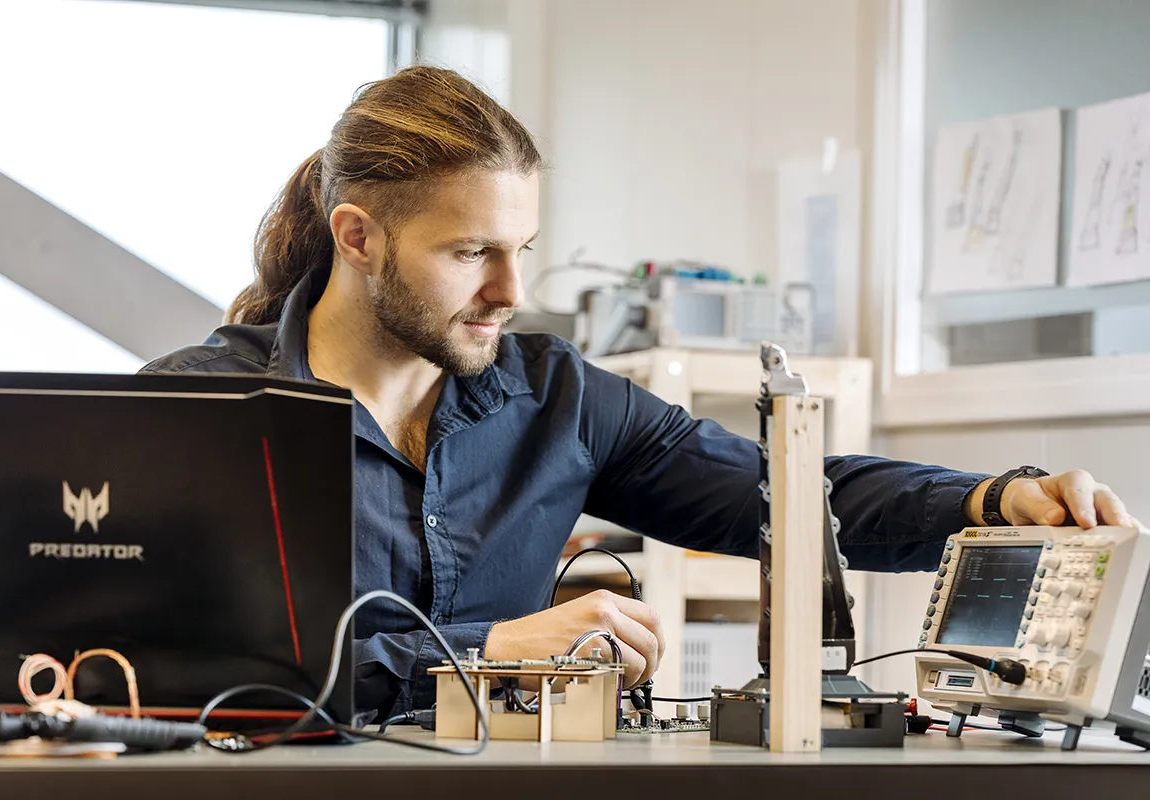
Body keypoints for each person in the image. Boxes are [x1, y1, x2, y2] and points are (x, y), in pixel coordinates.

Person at [142, 65, 1138, 720]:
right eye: (469, 252)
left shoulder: (559, 399)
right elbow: (166, 662)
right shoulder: (195, 412)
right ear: (358, 236)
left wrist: (994, 500)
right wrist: (484, 650)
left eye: (521, 248)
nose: (511, 291)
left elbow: (791, 497)